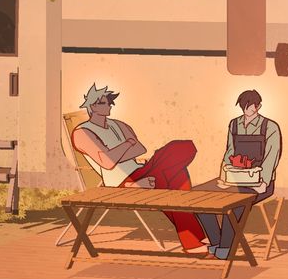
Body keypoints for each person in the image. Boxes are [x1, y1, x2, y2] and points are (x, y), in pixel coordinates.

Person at [71, 83, 209, 252]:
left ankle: (193, 238)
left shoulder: (118, 124)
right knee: (174, 179)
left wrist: (114, 154)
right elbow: (106, 163)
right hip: (120, 181)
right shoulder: (82, 133)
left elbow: (140, 149)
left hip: (141, 172)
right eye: (104, 103)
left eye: (109, 102)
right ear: (92, 106)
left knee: (183, 147)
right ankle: (193, 240)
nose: (109, 106)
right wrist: (127, 144)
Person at [199, 89, 282, 258]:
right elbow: (229, 152)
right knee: (199, 197)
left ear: (258, 106)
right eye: (244, 107)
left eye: (250, 107)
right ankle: (215, 242)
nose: (247, 110)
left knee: (235, 203)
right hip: (234, 178)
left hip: (259, 182)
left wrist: (263, 182)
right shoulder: (234, 124)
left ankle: (226, 249)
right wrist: (224, 176)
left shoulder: (270, 126)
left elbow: (272, 156)